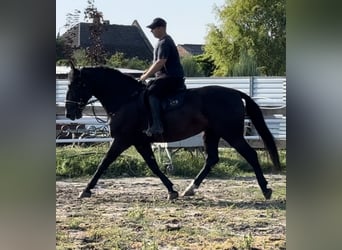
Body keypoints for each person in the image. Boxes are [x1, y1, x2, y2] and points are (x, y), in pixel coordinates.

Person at [140, 17, 185, 136]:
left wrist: (145, 76)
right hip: (165, 78)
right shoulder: (161, 42)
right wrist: (146, 71)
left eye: (153, 28)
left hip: (171, 78)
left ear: (161, 28)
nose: (151, 31)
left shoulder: (165, 42)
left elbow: (160, 62)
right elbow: (156, 63)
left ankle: (157, 126)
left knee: (151, 92)